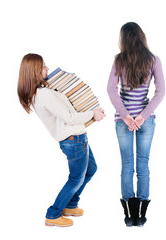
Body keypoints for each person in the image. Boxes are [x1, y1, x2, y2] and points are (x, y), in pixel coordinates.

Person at [17, 53, 105, 227]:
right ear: (34, 71)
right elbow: (70, 117)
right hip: (74, 140)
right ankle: (53, 213)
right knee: (75, 179)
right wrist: (92, 114)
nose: (47, 68)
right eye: (43, 66)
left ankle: (70, 205)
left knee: (91, 169)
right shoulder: (44, 95)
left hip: (77, 138)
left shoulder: (41, 93)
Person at [107, 22, 165, 227]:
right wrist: (142, 116)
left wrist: (126, 116)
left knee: (127, 165)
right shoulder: (153, 60)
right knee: (143, 165)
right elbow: (160, 92)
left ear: (123, 39)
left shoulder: (119, 60)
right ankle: (141, 216)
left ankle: (128, 216)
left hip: (123, 122)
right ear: (142, 36)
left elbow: (112, 91)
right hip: (146, 121)